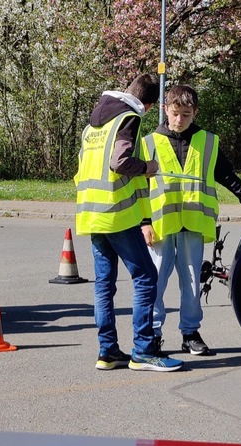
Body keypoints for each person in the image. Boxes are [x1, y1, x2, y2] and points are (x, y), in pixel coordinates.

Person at [140, 84, 241, 356]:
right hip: (160, 225)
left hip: (194, 223)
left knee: (193, 282)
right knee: (156, 282)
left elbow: (227, 175)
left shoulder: (208, 141)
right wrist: (143, 221)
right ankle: (152, 334)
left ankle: (190, 332)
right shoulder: (149, 142)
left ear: (195, 112)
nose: (179, 119)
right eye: (175, 113)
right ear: (165, 109)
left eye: (186, 114)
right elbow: (138, 187)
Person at [75, 74, 183, 372]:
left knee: (104, 285)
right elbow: (119, 162)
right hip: (117, 213)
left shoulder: (92, 125)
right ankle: (144, 350)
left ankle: (107, 352)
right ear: (148, 105)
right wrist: (148, 167)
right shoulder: (128, 118)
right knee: (146, 276)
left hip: (91, 214)